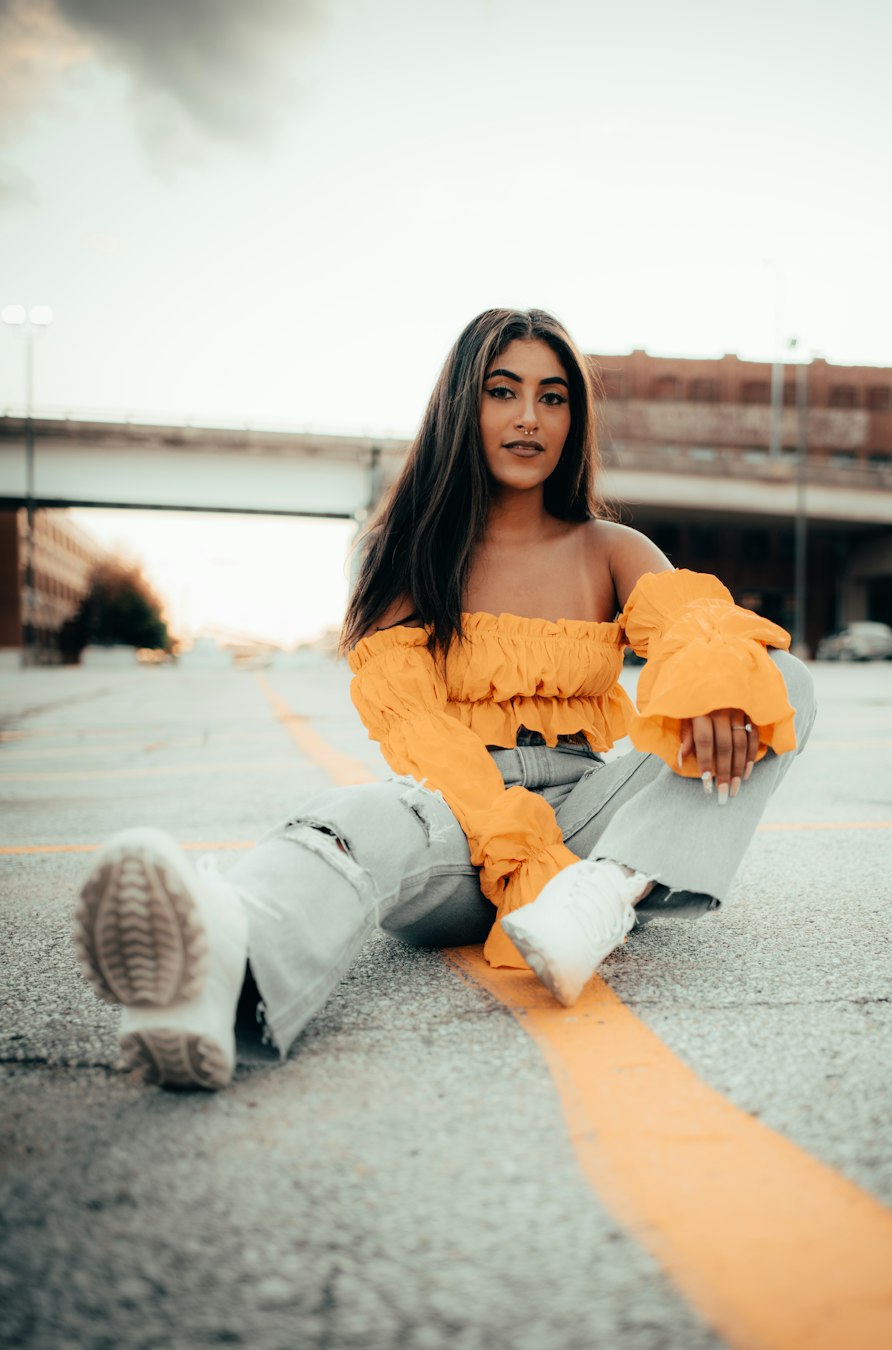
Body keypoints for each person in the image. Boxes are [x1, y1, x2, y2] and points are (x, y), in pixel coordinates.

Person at [73, 307, 816, 1092]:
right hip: (457, 817)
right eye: (504, 391)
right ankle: (220, 961)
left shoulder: (614, 550)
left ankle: (603, 893)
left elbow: (698, 628)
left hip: (596, 819)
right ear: (464, 404)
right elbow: (418, 728)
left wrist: (717, 691)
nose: (529, 417)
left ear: (575, 418)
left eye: (553, 397)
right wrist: (516, 847)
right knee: (358, 816)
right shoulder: (410, 559)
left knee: (773, 680)